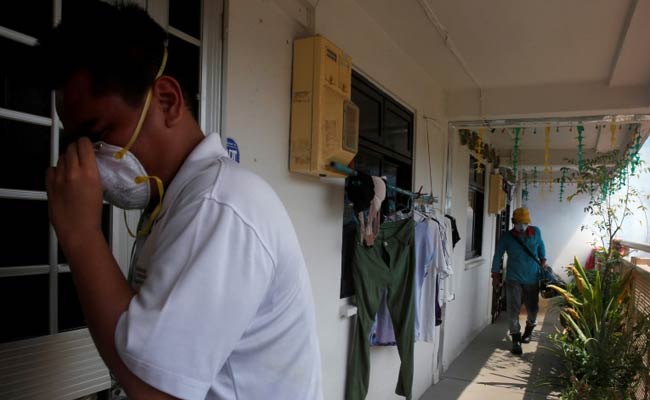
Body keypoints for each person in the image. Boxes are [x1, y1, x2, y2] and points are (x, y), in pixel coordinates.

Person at [38, 2, 322, 399]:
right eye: (76, 143)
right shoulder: (175, 203)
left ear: (168, 101)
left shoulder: (220, 204)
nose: (87, 161)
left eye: (97, 134)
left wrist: (81, 235)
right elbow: (138, 344)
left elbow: (155, 391)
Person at [491, 207, 547, 355]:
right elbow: (498, 255)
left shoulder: (536, 232)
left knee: (532, 307)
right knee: (513, 308)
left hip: (532, 277)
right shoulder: (507, 237)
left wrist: (543, 260)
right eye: (518, 223)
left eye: (524, 223)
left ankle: (528, 330)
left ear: (528, 222)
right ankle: (515, 338)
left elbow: (541, 246)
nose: (521, 226)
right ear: (513, 222)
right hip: (513, 278)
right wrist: (495, 275)